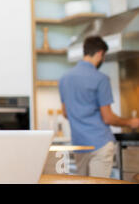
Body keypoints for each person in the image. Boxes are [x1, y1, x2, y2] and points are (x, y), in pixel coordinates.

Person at [59, 36, 139, 178]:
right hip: (99, 142)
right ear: (100, 53)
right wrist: (130, 122)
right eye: (103, 57)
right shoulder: (100, 78)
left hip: (79, 144)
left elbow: (65, 113)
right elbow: (108, 118)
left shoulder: (65, 79)